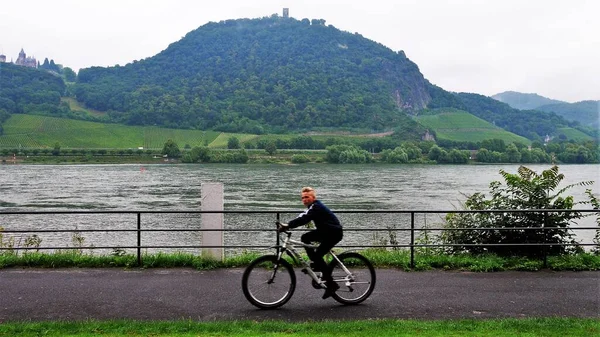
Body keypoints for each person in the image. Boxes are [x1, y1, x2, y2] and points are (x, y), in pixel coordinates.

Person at [278, 186, 343, 299]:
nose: (304, 199)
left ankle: (332, 284)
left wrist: (289, 225)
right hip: (325, 232)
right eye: (302, 198)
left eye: (307, 197)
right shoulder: (311, 207)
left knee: (317, 256)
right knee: (305, 237)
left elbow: (305, 219)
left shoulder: (317, 207)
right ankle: (316, 263)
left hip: (333, 233)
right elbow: (302, 216)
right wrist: (288, 224)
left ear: (313, 197)